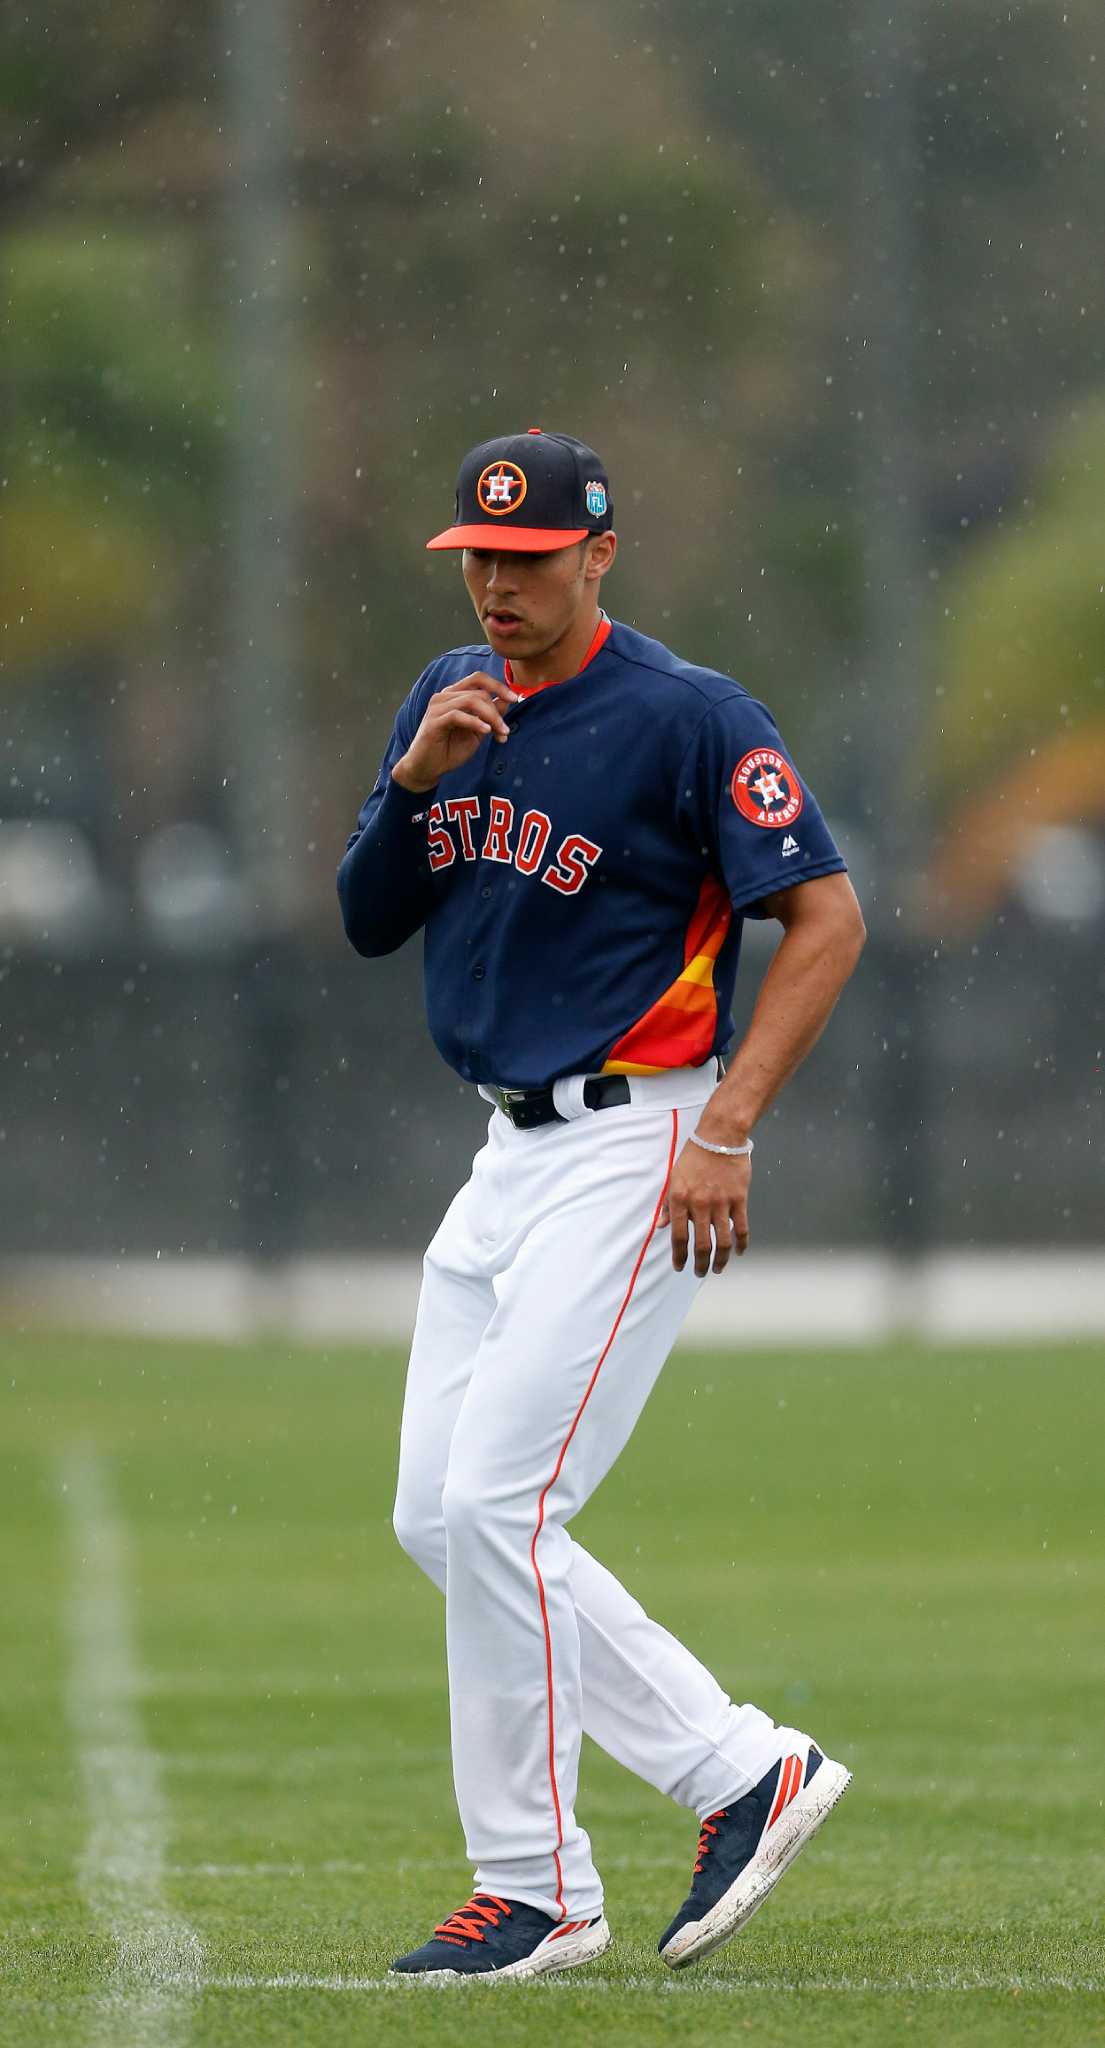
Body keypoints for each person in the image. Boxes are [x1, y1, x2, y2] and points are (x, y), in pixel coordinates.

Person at [337, 428, 866, 1982]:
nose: (498, 585)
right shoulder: (451, 701)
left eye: (529, 557)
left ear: (599, 555)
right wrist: (413, 776)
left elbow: (822, 918)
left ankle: (538, 1887)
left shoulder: (688, 718)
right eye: (478, 560)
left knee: (501, 1505)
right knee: (438, 1514)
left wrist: (733, 1128)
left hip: (641, 1140)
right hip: (504, 1156)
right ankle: (734, 1770)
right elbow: (374, 921)